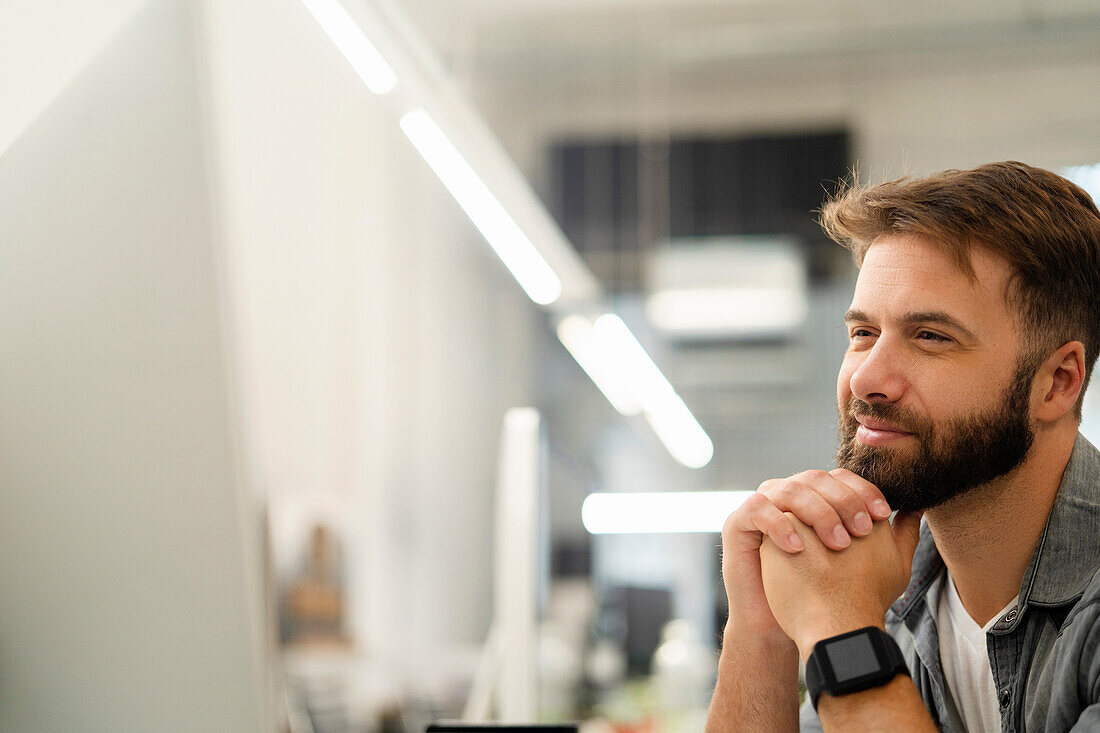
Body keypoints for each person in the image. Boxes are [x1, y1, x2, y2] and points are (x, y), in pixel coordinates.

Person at [705, 161, 1100, 732]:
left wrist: (842, 632)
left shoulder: (853, 610)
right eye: (863, 333)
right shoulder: (874, 587)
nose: (867, 378)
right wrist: (760, 628)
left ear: (1057, 382)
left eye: (931, 337)